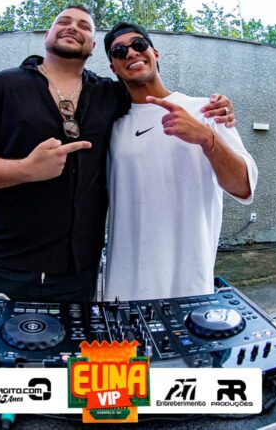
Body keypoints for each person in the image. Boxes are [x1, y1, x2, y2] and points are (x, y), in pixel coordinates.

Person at [0, 5, 235, 310]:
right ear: (47, 34)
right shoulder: (3, 86)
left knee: (75, 344)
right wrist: (26, 169)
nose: (73, 27)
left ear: (93, 46)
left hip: (75, 276)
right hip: (1, 266)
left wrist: (212, 110)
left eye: (84, 26)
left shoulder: (109, 95)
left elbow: (149, 94)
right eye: (63, 21)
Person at [102, 22, 258, 301]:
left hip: (189, 285)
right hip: (124, 289)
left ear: (155, 53)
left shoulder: (206, 110)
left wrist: (208, 139)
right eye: (119, 51)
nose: (131, 53)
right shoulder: (109, 125)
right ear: (113, 67)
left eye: (138, 44)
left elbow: (243, 187)